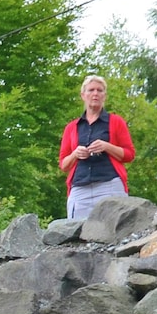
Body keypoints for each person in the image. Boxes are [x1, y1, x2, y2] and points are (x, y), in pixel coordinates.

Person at [59, 75, 136, 223]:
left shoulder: (116, 122)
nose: (95, 94)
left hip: (110, 185)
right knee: (77, 237)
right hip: (80, 189)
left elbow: (129, 154)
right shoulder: (72, 127)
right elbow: (63, 164)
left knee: (115, 233)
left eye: (100, 90)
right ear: (83, 95)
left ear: (104, 96)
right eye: (91, 90)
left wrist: (107, 146)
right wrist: (75, 154)